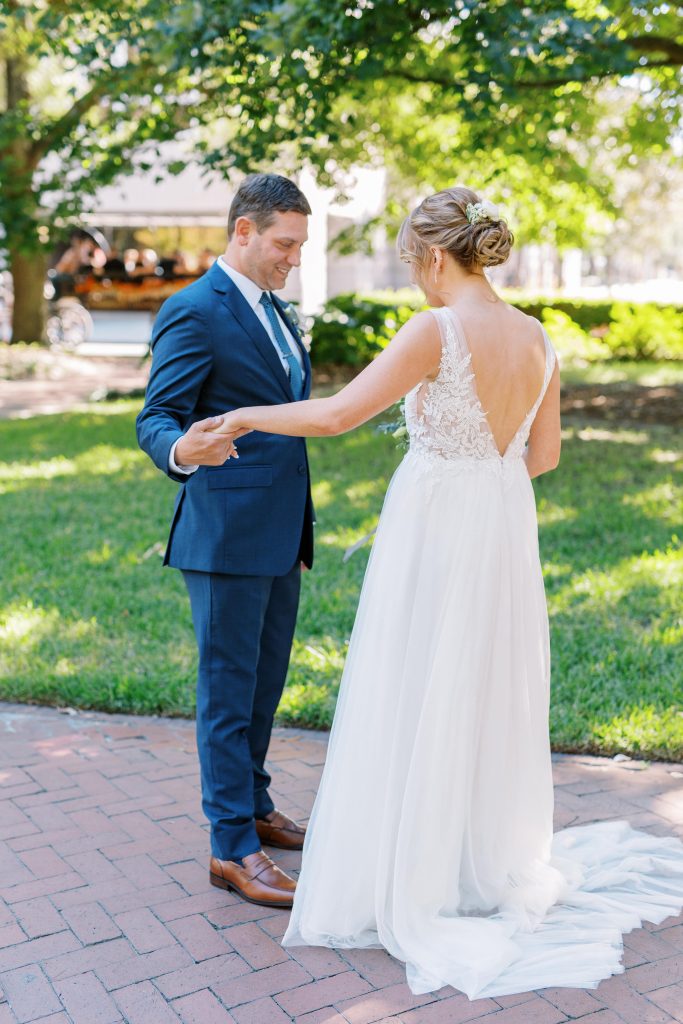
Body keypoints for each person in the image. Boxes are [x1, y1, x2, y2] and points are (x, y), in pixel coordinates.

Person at [212, 186, 683, 999]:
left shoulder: (436, 328)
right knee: (477, 686)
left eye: (411, 264)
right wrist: (482, 476)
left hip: (433, 527)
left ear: (433, 256)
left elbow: (336, 416)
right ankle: (474, 860)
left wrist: (243, 418)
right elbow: (543, 457)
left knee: (414, 679)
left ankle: (411, 872)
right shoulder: (537, 337)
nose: (416, 282)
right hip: (501, 524)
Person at [136, 173, 315, 910]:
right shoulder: (193, 311)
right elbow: (156, 418)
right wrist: (185, 449)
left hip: (281, 533)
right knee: (226, 695)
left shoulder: (279, 311)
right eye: (283, 244)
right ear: (242, 231)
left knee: (264, 686)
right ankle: (230, 848)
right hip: (224, 539)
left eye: (300, 246)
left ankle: (256, 804)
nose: (292, 259)